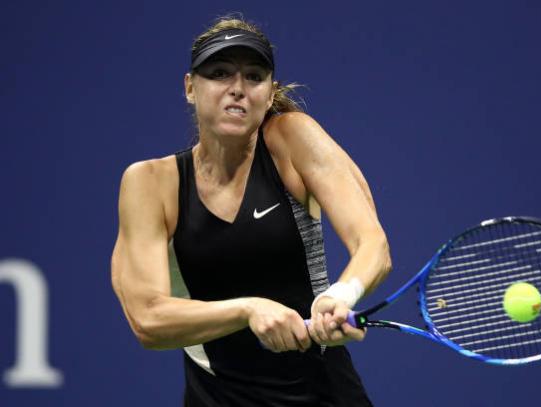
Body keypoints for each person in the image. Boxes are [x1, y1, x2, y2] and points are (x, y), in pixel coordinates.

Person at [111, 15, 392, 407]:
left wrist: (341, 296)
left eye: (254, 76)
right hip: (214, 397)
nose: (237, 90)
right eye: (220, 74)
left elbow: (372, 244)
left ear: (269, 90)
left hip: (323, 392)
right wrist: (248, 309)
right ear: (190, 88)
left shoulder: (292, 140)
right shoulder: (150, 183)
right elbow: (148, 319)